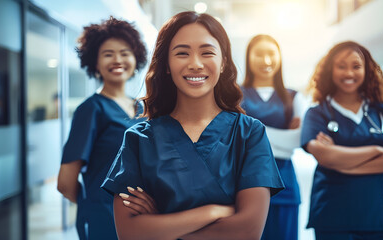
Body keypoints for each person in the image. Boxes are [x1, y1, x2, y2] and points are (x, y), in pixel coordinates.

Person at [101, 11, 284, 240]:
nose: (195, 64)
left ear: (223, 62)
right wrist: (212, 211)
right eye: (182, 53)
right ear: (167, 64)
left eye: (207, 52)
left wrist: (162, 225)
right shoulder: (138, 139)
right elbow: (130, 233)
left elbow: (247, 232)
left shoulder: (249, 133)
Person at [301, 41, 383, 240]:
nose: (349, 73)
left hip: (382, 215)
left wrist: (345, 164)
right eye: (341, 66)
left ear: (367, 71)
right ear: (330, 70)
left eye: (356, 66)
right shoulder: (317, 113)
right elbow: (325, 156)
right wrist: (375, 150)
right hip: (333, 217)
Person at [57, 17, 147, 240]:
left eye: (125, 53)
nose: (118, 59)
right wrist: (97, 204)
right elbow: (65, 183)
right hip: (104, 221)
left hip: (142, 218)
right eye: (108, 54)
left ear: (136, 58)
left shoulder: (141, 108)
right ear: (95, 63)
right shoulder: (91, 109)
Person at [241, 34, 306, 240]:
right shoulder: (235, 94)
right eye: (259, 54)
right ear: (248, 57)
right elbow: (233, 141)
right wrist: (282, 137)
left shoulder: (294, 96)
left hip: (284, 183)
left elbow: (297, 141)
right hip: (245, 184)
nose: (266, 61)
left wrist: (250, 132)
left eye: (271, 54)